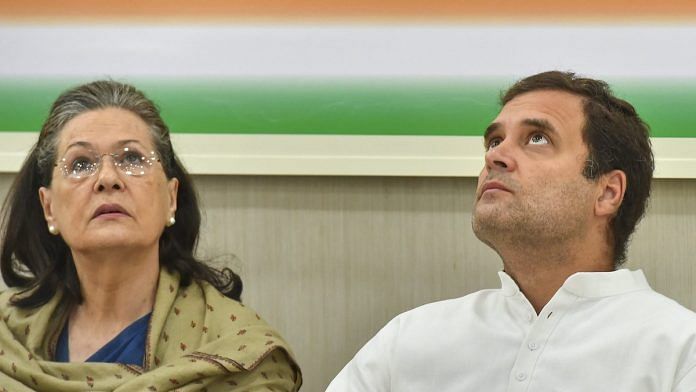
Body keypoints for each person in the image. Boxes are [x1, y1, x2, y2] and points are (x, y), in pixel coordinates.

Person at [327, 71, 696, 391]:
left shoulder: (681, 349)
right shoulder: (409, 337)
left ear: (607, 192)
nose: (494, 156)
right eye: (494, 141)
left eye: (537, 138)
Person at [0, 80, 302, 391]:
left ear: (171, 198)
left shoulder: (236, 351)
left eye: (131, 158)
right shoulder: (8, 338)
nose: (107, 178)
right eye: (81, 163)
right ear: (48, 208)